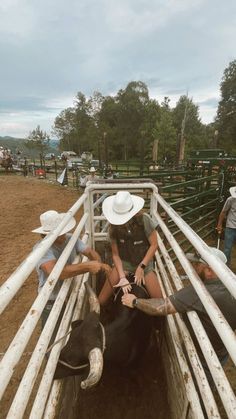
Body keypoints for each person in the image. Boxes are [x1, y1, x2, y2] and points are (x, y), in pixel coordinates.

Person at [122, 247, 236, 382]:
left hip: (203, 357)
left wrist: (135, 301)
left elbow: (162, 307)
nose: (193, 268)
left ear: (209, 270)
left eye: (197, 265)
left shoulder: (200, 293)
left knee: (200, 391)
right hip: (222, 351)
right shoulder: (231, 284)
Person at [32, 210, 110, 328]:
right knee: (51, 336)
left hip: (69, 293)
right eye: (61, 233)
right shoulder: (42, 249)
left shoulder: (70, 238)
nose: (65, 233)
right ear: (47, 235)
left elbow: (90, 252)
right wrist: (88, 266)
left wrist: (99, 264)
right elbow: (56, 273)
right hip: (51, 300)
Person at [98, 191, 163, 306]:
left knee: (160, 302)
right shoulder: (113, 227)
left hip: (144, 264)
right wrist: (122, 277)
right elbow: (116, 255)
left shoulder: (144, 220)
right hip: (124, 264)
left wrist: (142, 267)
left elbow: (154, 245)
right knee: (101, 300)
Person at [216, 186, 236, 266]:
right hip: (230, 227)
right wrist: (219, 225)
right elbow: (223, 212)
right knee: (227, 249)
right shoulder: (230, 199)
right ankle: (226, 267)